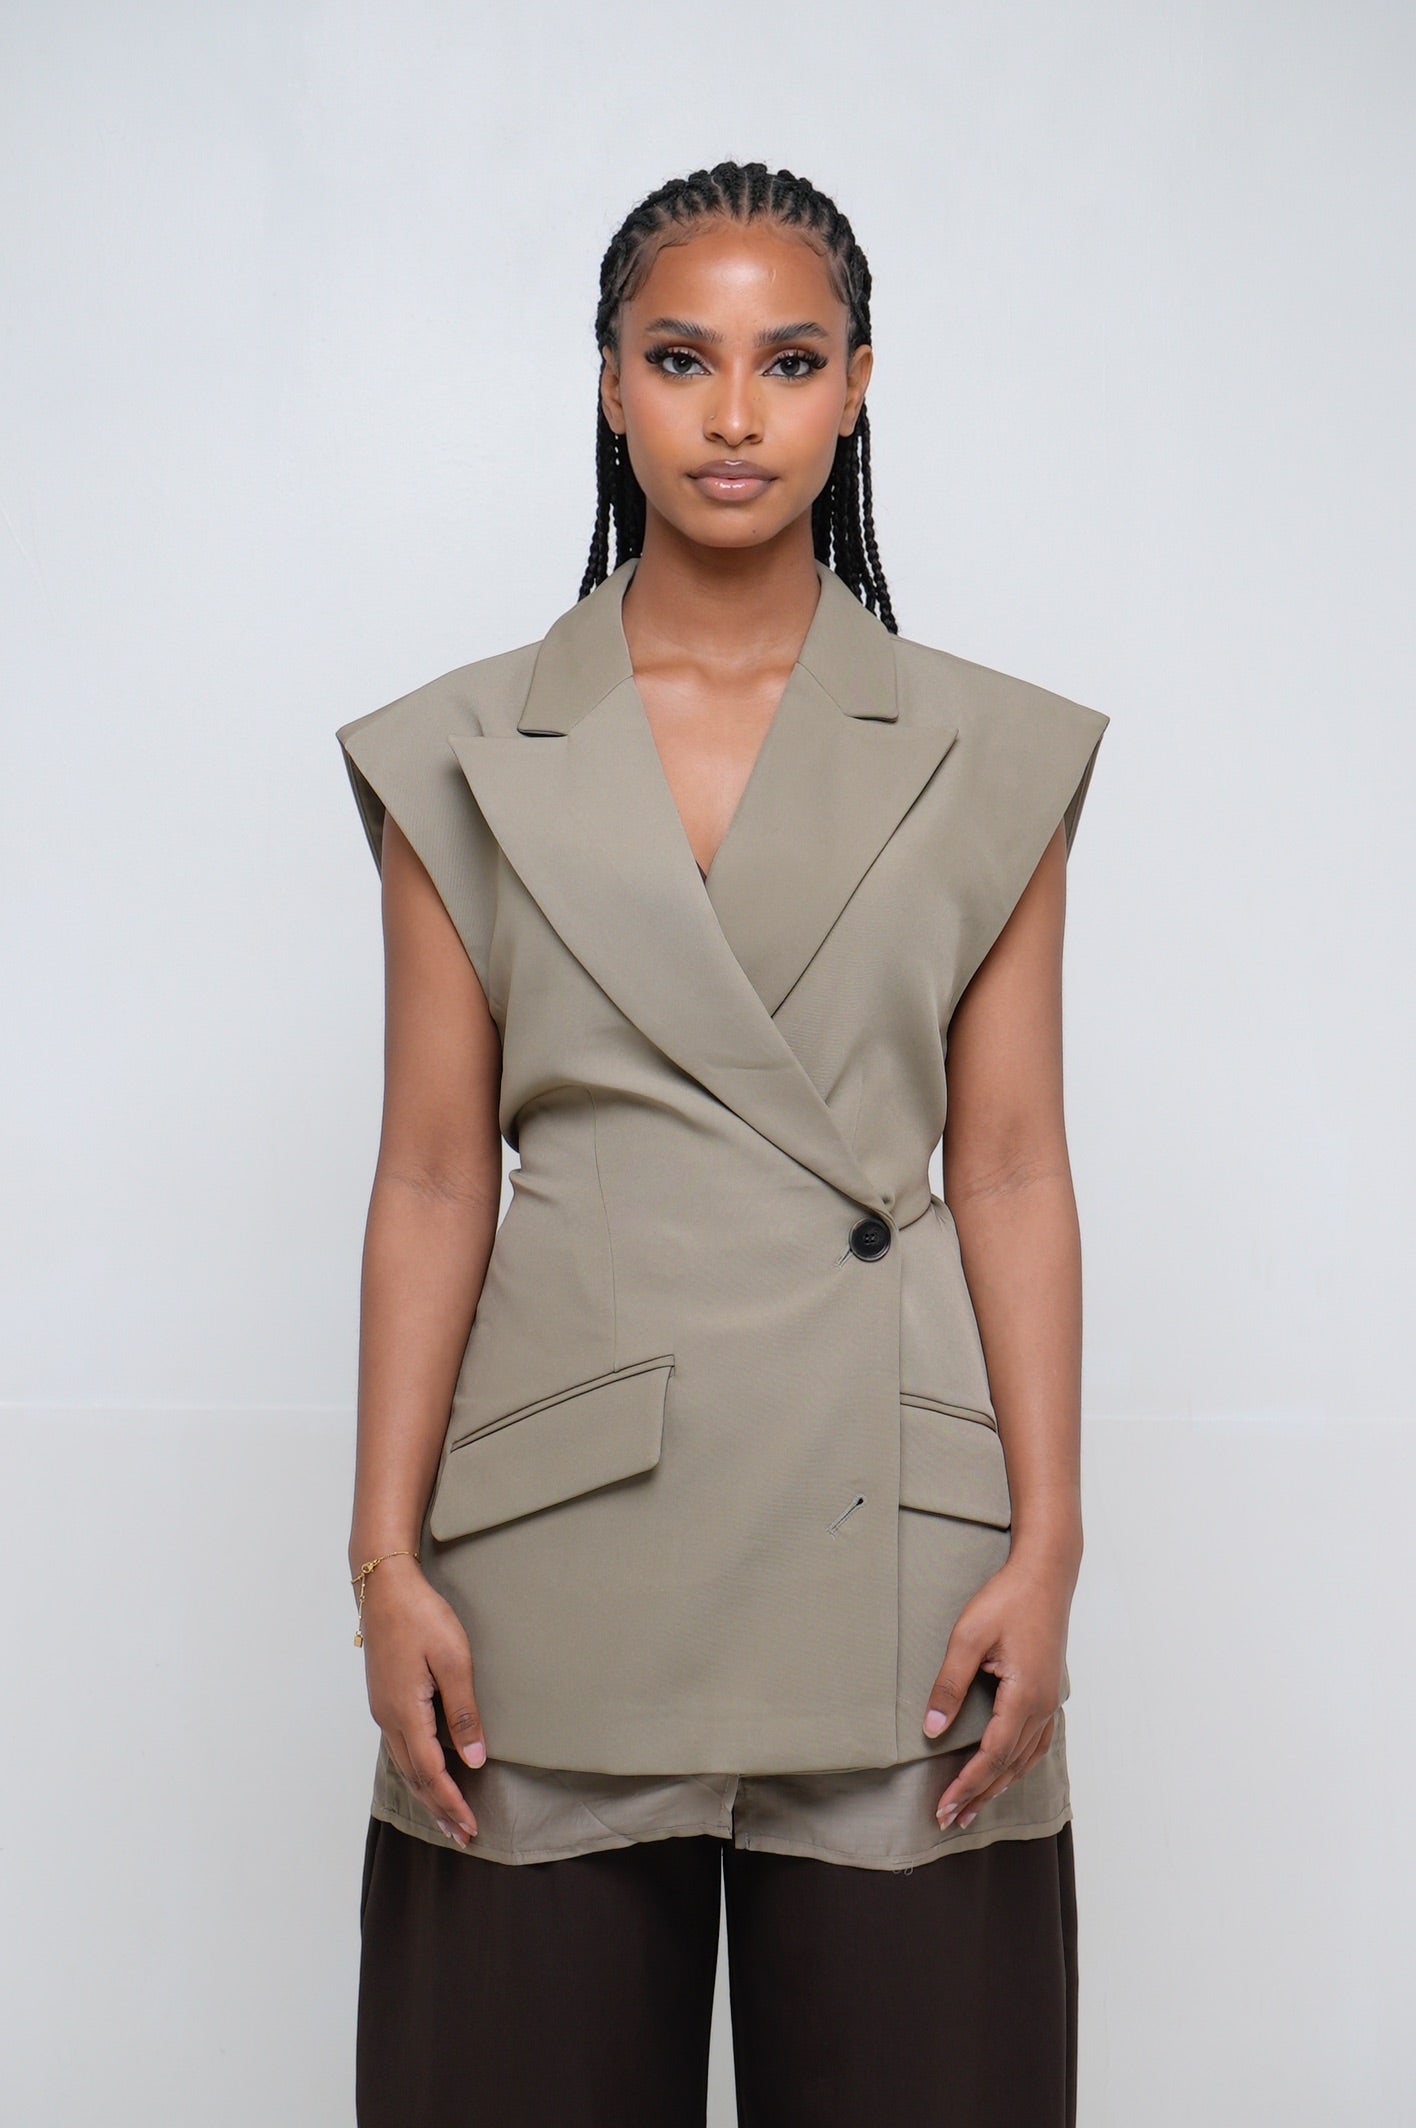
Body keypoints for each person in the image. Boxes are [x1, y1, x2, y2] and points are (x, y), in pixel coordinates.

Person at [336, 160, 1107, 2127]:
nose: (736, 413)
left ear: (860, 386)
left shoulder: (992, 751)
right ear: (610, 386)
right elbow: (434, 1170)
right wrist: (383, 1558)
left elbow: (1011, 1162)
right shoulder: (460, 749)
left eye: (791, 359)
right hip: (549, 1551)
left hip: (899, 1550)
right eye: (681, 359)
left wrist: (1050, 1544)